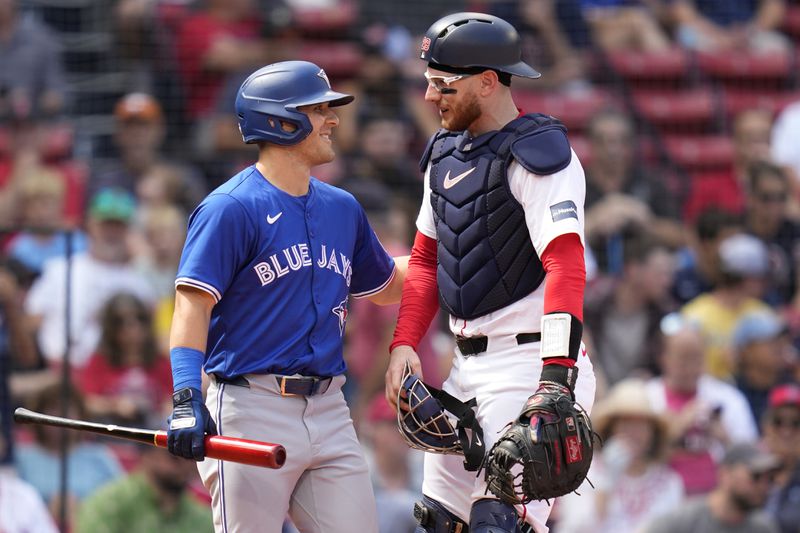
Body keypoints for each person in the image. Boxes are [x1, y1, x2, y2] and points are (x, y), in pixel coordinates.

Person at [165, 60, 407, 533]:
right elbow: (192, 304)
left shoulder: (342, 207)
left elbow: (387, 287)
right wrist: (185, 395)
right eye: (318, 109)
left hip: (330, 407)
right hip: (250, 404)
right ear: (279, 120)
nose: (333, 119)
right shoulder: (230, 208)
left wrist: (451, 252)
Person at [384, 12, 596, 533]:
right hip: (465, 369)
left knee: (499, 525)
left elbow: (566, 264)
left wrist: (555, 379)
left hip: (531, 366)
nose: (431, 96)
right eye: (429, 82)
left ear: (487, 81)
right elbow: (427, 260)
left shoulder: (540, 154)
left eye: (443, 84)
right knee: (438, 522)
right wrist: (404, 343)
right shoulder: (442, 155)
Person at [556, 378, 685, 533]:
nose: (633, 433)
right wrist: (606, 483)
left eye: (641, 425)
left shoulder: (669, 483)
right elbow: (574, 527)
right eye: (626, 424)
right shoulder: (584, 472)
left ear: (653, 433)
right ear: (611, 429)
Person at [75, 440, 213, 533]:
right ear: (147, 455)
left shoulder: (202, 516)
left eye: (191, 457)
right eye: (174, 457)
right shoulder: (108, 504)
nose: (186, 465)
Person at [641, 442, 781, 533]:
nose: (763, 486)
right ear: (725, 474)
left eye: (769, 478)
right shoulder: (684, 521)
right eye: (755, 476)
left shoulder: (763, 528)